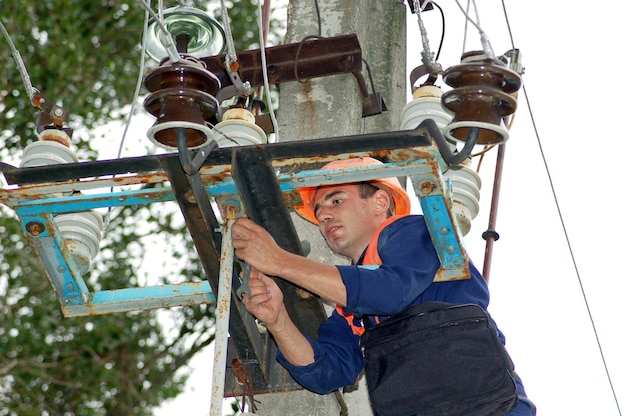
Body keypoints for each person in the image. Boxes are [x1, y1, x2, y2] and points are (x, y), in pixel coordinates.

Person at [231, 156, 536, 415]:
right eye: (319, 211)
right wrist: (277, 319)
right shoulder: (353, 311)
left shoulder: (413, 232)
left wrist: (279, 261)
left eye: (336, 200)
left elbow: (390, 291)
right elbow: (326, 373)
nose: (323, 215)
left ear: (380, 201)